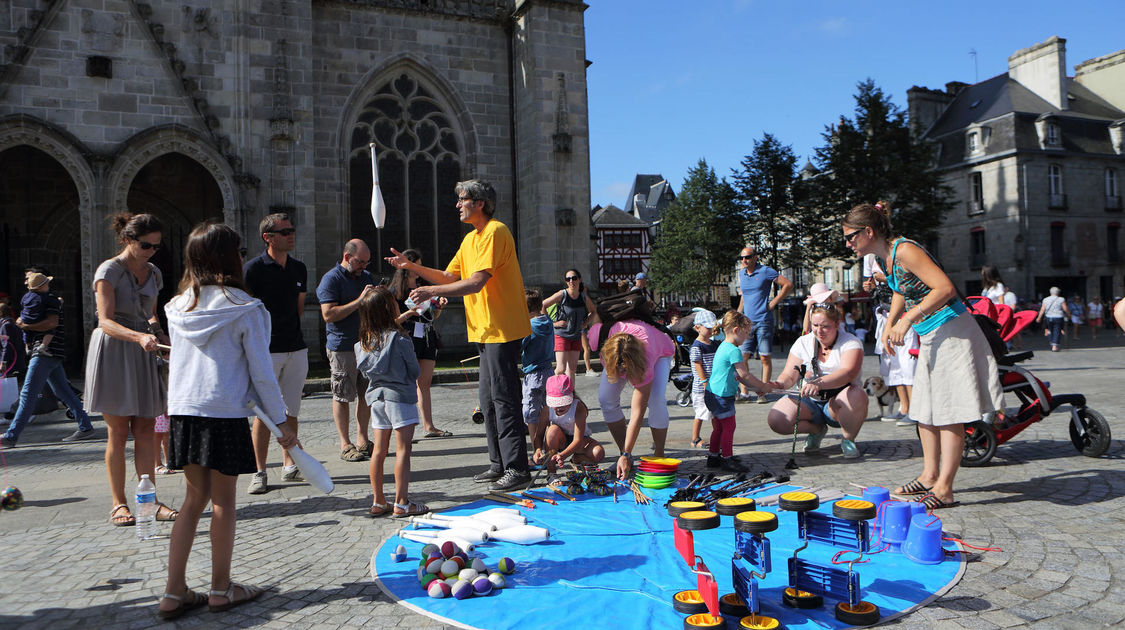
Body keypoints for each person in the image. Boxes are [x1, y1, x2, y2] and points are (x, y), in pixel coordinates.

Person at [158, 221, 297, 620]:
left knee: (191, 501)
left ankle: (173, 592)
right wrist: (281, 421)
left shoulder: (177, 306)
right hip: (223, 413)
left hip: (185, 411)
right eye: (238, 250)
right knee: (223, 503)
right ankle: (221, 589)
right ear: (228, 256)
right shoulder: (246, 308)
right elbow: (261, 372)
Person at [844, 200, 1002, 509]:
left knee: (949, 411)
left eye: (851, 237)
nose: (848, 243)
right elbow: (902, 289)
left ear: (869, 231)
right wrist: (889, 325)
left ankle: (944, 488)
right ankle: (929, 476)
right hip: (932, 333)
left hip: (954, 331)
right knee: (926, 408)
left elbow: (944, 288)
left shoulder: (905, 250)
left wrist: (906, 320)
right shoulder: (886, 259)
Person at [385, 179, 533, 492]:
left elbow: (476, 282)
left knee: (505, 399)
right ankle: (499, 464)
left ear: (480, 203)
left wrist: (431, 290)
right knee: (488, 402)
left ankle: (518, 468)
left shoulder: (496, 232)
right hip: (484, 330)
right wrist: (411, 266)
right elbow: (451, 276)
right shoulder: (470, 241)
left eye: (462, 199)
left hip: (502, 329)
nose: (457, 204)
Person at [83, 213, 176, 526]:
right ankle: (118, 503)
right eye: (145, 245)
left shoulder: (154, 273)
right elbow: (105, 321)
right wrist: (139, 336)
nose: (151, 251)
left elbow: (150, 315)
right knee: (118, 432)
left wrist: (161, 335)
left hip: (144, 350)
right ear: (127, 240)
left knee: (147, 430)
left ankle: (149, 500)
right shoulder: (108, 270)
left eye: (156, 246)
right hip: (115, 350)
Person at [243, 212, 310, 493]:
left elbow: (298, 308)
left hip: (296, 346)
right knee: (264, 413)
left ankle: (289, 464)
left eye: (292, 230)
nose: (291, 235)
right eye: (285, 232)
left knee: (290, 409)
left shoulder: (299, 268)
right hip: (266, 350)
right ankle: (259, 471)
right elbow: (245, 311)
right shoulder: (253, 269)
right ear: (268, 237)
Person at [0, 270, 95, 448]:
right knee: (64, 392)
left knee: (28, 394)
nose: (25, 281)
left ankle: (11, 436)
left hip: (44, 352)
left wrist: (25, 325)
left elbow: (51, 323)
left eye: (27, 278)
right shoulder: (42, 300)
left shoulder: (49, 301)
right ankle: (85, 426)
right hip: (50, 353)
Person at [354, 286, 425, 517]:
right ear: (388, 308)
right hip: (400, 398)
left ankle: (378, 501)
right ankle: (402, 503)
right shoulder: (400, 339)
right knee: (403, 450)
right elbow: (415, 371)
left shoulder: (364, 342)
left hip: (376, 399)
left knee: (379, 451)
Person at [766, 303, 868, 458]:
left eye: (825, 326)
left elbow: (848, 373)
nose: (819, 331)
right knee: (777, 419)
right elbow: (789, 375)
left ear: (837, 323)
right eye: (815, 325)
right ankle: (816, 430)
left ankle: (848, 438)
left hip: (837, 402)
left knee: (857, 395)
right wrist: (776, 385)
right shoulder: (803, 342)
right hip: (810, 400)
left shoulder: (851, 342)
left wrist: (818, 383)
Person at [588, 319, 675, 479]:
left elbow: (637, 412)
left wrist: (626, 452)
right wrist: (625, 453)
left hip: (660, 351)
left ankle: (658, 456)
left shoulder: (646, 359)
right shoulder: (606, 346)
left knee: (656, 400)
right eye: (619, 369)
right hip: (623, 350)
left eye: (625, 370)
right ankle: (625, 456)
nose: (623, 373)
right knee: (606, 398)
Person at [317, 239, 376, 463]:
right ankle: (345, 444)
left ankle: (363, 439)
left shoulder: (366, 277)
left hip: (366, 345)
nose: (363, 266)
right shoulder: (331, 279)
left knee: (366, 394)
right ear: (346, 257)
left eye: (366, 262)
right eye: (360, 262)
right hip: (342, 346)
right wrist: (359, 301)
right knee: (342, 395)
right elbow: (328, 314)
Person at [388, 248, 450, 439]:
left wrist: (438, 306)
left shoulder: (424, 287)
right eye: (417, 265)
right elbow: (391, 321)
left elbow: (431, 316)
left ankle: (429, 426)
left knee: (424, 383)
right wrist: (409, 313)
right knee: (406, 383)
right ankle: (402, 428)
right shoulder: (395, 291)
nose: (419, 269)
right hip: (407, 338)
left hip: (427, 336)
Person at [705, 311, 770, 471]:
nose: (747, 337)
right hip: (721, 396)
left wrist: (755, 389)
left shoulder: (723, 346)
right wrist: (762, 386)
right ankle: (727, 459)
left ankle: (713, 457)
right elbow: (744, 374)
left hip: (712, 393)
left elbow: (737, 376)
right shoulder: (733, 350)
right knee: (729, 427)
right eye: (746, 333)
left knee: (719, 428)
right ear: (736, 330)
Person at [736, 245, 793, 401]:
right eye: (741, 258)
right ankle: (744, 393)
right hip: (747, 323)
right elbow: (744, 296)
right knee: (742, 357)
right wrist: (738, 313)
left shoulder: (766, 271)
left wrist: (773, 303)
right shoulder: (741, 274)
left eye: (747, 257)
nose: (744, 260)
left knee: (764, 358)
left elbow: (788, 284)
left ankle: (764, 392)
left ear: (755, 257)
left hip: (763, 321)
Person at [532, 374, 603, 482]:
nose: (560, 407)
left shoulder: (578, 408)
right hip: (559, 440)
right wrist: (537, 450)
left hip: (579, 441)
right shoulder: (547, 410)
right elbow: (539, 435)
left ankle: (576, 459)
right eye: (556, 404)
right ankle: (551, 473)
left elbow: (578, 440)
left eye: (563, 403)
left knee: (598, 453)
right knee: (552, 431)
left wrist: (563, 455)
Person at [542, 268, 596, 382]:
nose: (571, 281)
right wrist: (553, 323)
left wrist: (585, 323)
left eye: (574, 278)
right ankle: (550, 391)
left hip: (576, 336)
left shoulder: (583, 297)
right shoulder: (563, 294)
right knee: (560, 368)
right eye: (568, 279)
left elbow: (593, 311)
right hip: (561, 335)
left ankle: (569, 395)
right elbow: (543, 305)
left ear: (579, 279)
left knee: (571, 370)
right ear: (566, 281)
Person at [521, 289, 554, 441]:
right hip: (548, 372)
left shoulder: (528, 327)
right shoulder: (548, 322)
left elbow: (520, 347)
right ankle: (548, 445)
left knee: (531, 414)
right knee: (546, 412)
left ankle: (536, 449)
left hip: (533, 374)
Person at [688, 309, 720, 449]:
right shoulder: (697, 346)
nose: (711, 331)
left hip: (713, 385)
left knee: (714, 412)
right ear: (697, 327)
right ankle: (695, 438)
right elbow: (698, 365)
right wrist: (704, 381)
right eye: (708, 328)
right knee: (701, 412)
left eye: (713, 328)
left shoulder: (713, 344)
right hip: (702, 387)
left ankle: (717, 435)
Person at [18, 272, 57, 357]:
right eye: (47, 285)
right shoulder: (45, 297)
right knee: (51, 330)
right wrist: (59, 301)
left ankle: (27, 346)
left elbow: (22, 304)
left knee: (26, 332)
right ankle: (43, 346)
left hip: (24, 318)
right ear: (42, 287)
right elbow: (52, 322)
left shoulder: (26, 296)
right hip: (36, 319)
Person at [1037, 287, 1069, 352]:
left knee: (1050, 330)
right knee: (1057, 330)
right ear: (1058, 292)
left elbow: (1042, 309)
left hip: (1048, 317)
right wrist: (1069, 314)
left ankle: (1052, 342)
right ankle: (1054, 346)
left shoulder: (1045, 299)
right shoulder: (1061, 299)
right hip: (1058, 317)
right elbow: (1065, 308)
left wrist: (1039, 317)